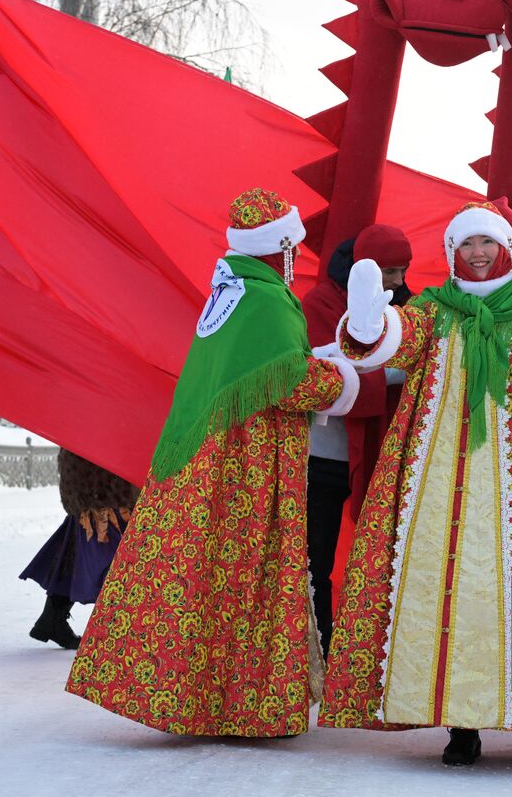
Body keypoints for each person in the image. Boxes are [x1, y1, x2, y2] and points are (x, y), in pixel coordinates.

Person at [319, 201, 512, 768]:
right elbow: (395, 346)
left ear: (506, 249)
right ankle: (460, 724)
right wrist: (366, 325)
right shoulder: (434, 310)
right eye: (466, 246)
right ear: (451, 254)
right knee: (446, 593)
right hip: (438, 477)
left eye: (487, 244)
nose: (477, 255)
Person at [66, 188, 360, 735]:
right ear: (277, 248)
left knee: (207, 574)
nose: (296, 257)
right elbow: (286, 380)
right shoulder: (267, 298)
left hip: (210, 460)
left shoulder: (230, 289)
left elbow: (256, 365)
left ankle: (196, 698)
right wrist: (341, 378)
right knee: (247, 573)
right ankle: (243, 704)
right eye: (292, 246)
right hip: (246, 464)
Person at [300, 223, 413, 653]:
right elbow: (327, 374)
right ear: (364, 269)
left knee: (383, 561)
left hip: (384, 450)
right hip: (325, 454)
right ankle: (317, 648)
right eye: (389, 271)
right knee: (316, 558)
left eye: (403, 270)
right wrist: (393, 369)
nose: (398, 281)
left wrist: (371, 368)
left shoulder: (406, 306)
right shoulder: (322, 302)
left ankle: (374, 652)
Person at [19, 448, 140, 649]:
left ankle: (53, 618)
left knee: (77, 550)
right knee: (117, 556)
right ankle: (118, 628)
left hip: (92, 477)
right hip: (107, 479)